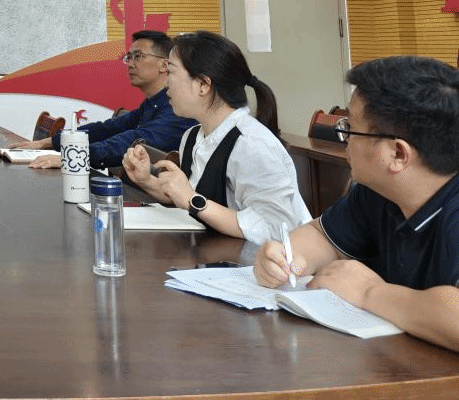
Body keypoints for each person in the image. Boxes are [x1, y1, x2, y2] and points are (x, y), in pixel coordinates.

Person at [254, 55, 459, 352]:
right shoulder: (378, 192)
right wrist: (284, 258)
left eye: (350, 127)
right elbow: (324, 236)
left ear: (398, 154)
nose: (344, 139)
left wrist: (369, 292)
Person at [123, 30, 308, 244]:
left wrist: (192, 199)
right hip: (216, 255)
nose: (165, 84)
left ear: (203, 85)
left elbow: (276, 229)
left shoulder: (251, 144)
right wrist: (147, 181)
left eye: (171, 72)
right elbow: (189, 200)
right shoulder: (192, 136)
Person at [12, 30, 196, 170]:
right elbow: (106, 129)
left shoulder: (179, 110)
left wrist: (74, 157)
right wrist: (48, 142)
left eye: (138, 56)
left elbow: (133, 141)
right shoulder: (150, 105)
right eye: (129, 57)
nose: (130, 64)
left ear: (164, 65)